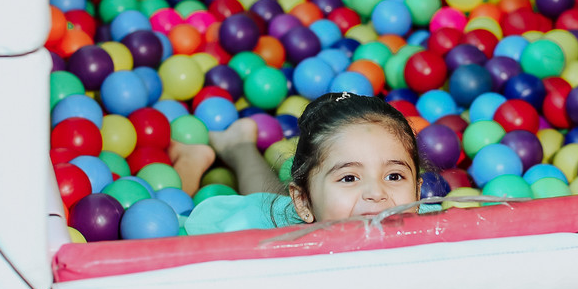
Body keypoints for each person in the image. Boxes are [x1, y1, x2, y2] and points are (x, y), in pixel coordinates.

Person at [173, 92, 423, 234]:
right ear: (303, 202)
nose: (376, 193)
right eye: (349, 177)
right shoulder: (261, 240)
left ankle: (238, 144)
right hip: (281, 222)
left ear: (418, 191)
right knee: (267, 209)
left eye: (394, 176)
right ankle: (236, 148)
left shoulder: (441, 233)